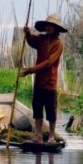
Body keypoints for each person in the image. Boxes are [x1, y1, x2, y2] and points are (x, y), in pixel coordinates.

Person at [21, 14, 67, 144]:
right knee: (37, 111)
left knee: (51, 112)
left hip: (50, 83)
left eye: (51, 26)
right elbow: (31, 41)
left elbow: (49, 62)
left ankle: (51, 137)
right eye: (47, 25)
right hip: (39, 82)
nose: (49, 28)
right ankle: (38, 136)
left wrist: (31, 70)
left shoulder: (58, 44)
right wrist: (27, 33)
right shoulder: (42, 39)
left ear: (56, 28)